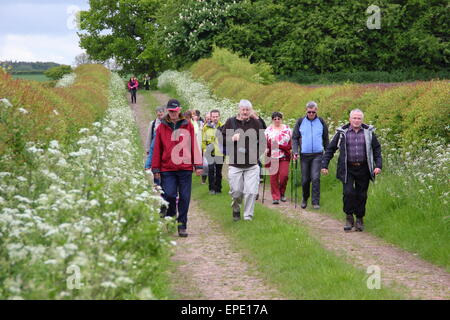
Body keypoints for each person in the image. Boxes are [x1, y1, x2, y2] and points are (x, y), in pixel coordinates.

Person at [321, 109, 382, 232]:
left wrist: (378, 165)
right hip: (347, 168)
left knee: (362, 194)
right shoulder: (342, 133)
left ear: (362, 120)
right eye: (354, 118)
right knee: (348, 193)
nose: (356, 120)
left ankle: (359, 219)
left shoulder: (368, 133)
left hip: (364, 168)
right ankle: (349, 217)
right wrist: (324, 165)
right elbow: (331, 149)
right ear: (350, 119)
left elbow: (376, 149)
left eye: (359, 118)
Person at [151, 99, 203, 237]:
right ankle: (171, 215)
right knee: (169, 195)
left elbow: (194, 145)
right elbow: (156, 149)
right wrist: (155, 169)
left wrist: (198, 164)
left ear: (179, 110)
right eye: (170, 111)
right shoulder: (161, 127)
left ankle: (182, 226)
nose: (173, 113)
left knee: (185, 197)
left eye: (175, 111)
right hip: (167, 168)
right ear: (168, 111)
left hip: (185, 168)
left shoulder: (188, 126)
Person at [221, 99, 265, 221]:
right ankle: (236, 208)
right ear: (239, 110)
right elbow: (222, 139)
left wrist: (256, 155)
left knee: (251, 192)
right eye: (243, 109)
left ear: (251, 111)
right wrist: (232, 138)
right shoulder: (231, 122)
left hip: (252, 164)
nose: (245, 112)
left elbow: (262, 142)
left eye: (247, 110)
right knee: (236, 192)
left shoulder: (256, 123)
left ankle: (247, 217)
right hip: (235, 164)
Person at [292, 101, 329, 210]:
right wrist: (295, 151)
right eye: (309, 112)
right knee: (305, 180)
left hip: (318, 154)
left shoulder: (321, 122)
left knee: (316, 178)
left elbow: (326, 138)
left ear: (316, 110)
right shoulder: (300, 121)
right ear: (306, 110)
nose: (311, 114)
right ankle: (305, 198)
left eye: (313, 112)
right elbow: (294, 138)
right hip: (304, 155)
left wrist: (328, 153)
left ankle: (315, 202)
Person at [264, 112, 292, 204]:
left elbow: (292, 141)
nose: (277, 120)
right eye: (275, 119)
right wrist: (266, 149)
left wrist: (294, 150)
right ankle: (275, 197)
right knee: (273, 177)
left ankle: (282, 192)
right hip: (273, 155)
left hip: (284, 155)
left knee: (284, 175)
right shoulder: (268, 130)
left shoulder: (287, 129)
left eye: (278, 118)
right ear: (272, 120)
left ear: (281, 119)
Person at [202, 109, 224, 195]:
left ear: (219, 117)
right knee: (211, 170)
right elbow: (203, 141)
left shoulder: (223, 126)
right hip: (209, 152)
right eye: (213, 117)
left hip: (219, 152)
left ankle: (218, 188)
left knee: (218, 171)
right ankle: (211, 189)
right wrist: (204, 149)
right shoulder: (206, 127)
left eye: (216, 116)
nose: (215, 118)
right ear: (210, 117)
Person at [144, 106, 166, 184]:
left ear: (164, 113)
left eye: (161, 113)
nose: (160, 115)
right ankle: (156, 182)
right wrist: (147, 149)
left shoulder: (167, 123)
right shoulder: (153, 123)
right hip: (155, 146)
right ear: (156, 114)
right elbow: (149, 136)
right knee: (154, 164)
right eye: (158, 113)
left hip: (164, 148)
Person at [201, 112, 211, 185]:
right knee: (205, 165)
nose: (208, 119)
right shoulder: (203, 127)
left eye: (209, 118)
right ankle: (203, 179)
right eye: (207, 118)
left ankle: (212, 180)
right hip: (205, 148)